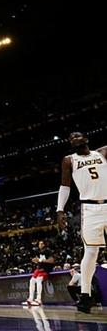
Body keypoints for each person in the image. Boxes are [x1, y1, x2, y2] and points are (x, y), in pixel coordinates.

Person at [57, 131, 107, 313]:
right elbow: (65, 186)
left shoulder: (102, 153)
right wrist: (60, 210)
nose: (73, 138)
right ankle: (86, 295)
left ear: (86, 138)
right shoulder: (69, 160)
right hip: (90, 209)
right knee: (91, 252)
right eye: (70, 138)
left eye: (77, 135)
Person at [22, 240, 54, 306]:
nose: (40, 245)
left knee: (38, 279)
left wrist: (41, 260)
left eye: (41, 244)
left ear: (44, 245)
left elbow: (52, 260)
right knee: (32, 280)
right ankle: (30, 299)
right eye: (39, 244)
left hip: (46, 269)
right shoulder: (37, 251)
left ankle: (38, 299)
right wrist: (35, 260)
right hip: (39, 268)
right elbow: (37, 259)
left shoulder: (48, 251)